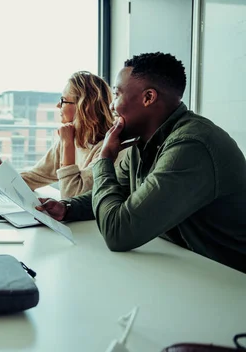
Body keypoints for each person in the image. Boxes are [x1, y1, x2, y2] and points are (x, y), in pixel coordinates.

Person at [37, 52, 246, 273]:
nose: (111, 106)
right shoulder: (143, 143)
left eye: (117, 95)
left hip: (229, 279)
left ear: (148, 97)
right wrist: (68, 208)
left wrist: (104, 159)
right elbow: (118, 190)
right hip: (187, 265)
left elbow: (118, 233)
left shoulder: (191, 146)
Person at [0, 71, 120, 199]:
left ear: (83, 106)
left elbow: (71, 196)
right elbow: (36, 176)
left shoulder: (107, 149)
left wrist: (67, 145)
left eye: (63, 100)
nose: (58, 105)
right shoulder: (71, 138)